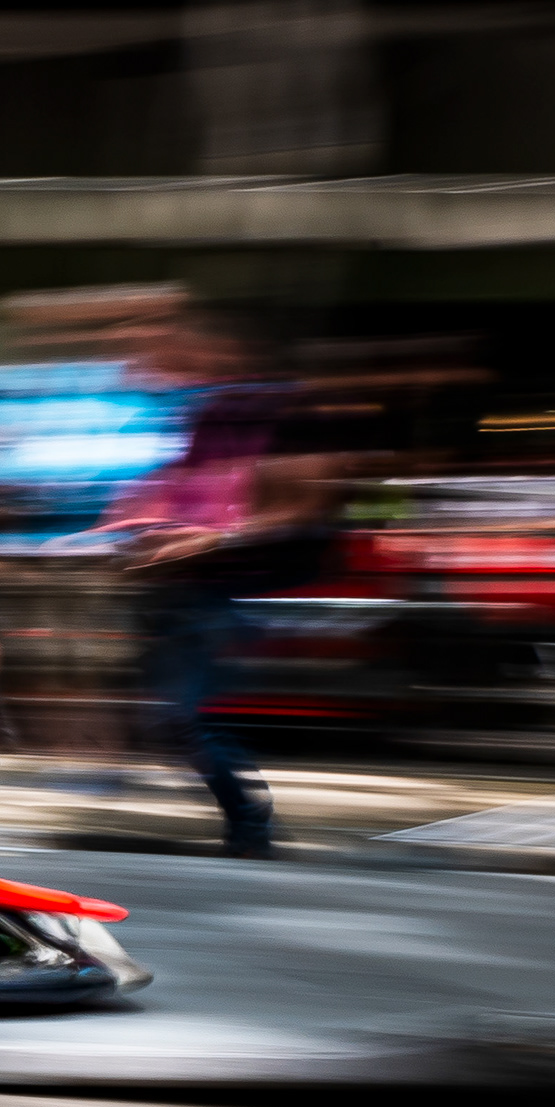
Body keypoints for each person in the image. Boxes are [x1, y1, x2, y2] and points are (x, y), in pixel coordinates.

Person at [108, 317, 337, 859]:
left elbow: (301, 507)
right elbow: (183, 490)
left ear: (228, 348)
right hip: (190, 588)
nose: (157, 364)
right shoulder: (211, 412)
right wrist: (141, 521)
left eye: (179, 347)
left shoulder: (290, 414)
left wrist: (207, 541)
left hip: (236, 590)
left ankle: (251, 826)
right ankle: (246, 823)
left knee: (186, 717)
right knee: (172, 717)